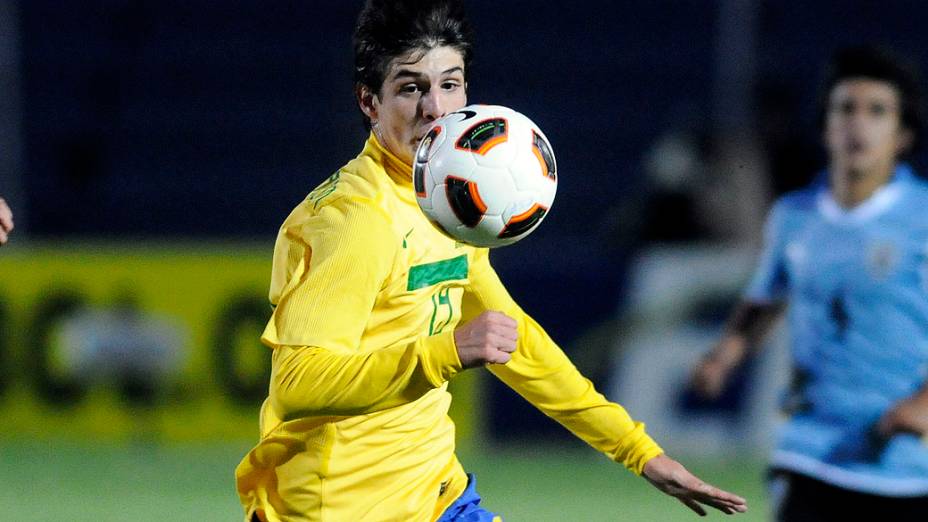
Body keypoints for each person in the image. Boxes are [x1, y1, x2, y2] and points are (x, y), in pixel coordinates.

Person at [235, 1, 748, 520]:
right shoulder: (354, 221)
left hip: (439, 497)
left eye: (450, 84)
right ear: (369, 101)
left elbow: (514, 340)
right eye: (411, 88)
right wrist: (443, 352)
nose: (436, 109)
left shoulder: (448, 193)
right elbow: (298, 383)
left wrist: (639, 452)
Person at [692, 45, 928, 521]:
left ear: (902, 134)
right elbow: (765, 299)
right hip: (809, 450)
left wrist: (924, 403)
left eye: (877, 112)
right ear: (826, 125)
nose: (857, 124)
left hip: (902, 463)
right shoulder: (793, 216)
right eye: (845, 109)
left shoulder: (922, 216)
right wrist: (725, 356)